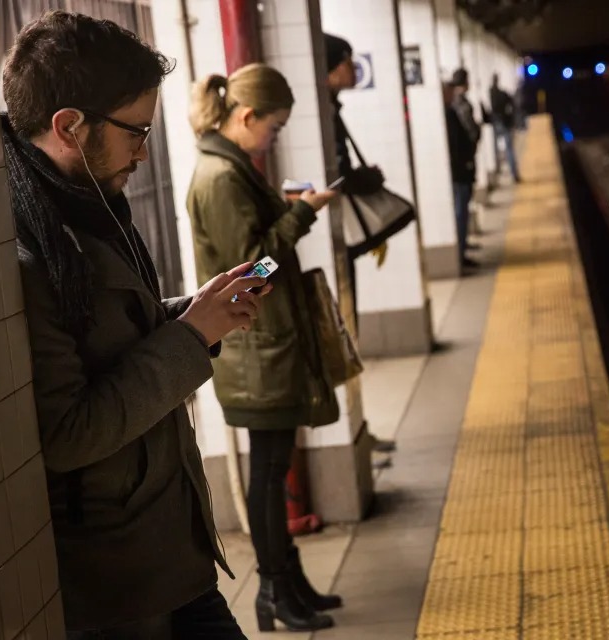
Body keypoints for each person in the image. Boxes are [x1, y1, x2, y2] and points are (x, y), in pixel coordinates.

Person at [2, 11, 268, 639]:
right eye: (136, 132)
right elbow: (68, 431)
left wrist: (191, 311)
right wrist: (190, 334)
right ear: (70, 126)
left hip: (167, 545)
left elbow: (112, 339)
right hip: (117, 580)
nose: (144, 153)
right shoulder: (29, 250)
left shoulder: (86, 206)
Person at [186, 63, 340, 633]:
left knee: (274, 471)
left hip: (265, 348)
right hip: (256, 352)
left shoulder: (232, 169)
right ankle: (274, 591)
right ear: (246, 117)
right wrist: (302, 214)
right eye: (273, 128)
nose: (274, 139)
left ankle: (289, 583)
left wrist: (285, 205)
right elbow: (255, 271)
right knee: (269, 474)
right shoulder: (220, 178)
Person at [323, 32, 397, 455]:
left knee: (349, 329)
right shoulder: (324, 114)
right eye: (349, 61)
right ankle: (353, 431)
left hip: (338, 242)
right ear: (333, 67)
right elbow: (336, 178)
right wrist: (370, 179)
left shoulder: (329, 109)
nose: (355, 70)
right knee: (345, 330)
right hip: (330, 247)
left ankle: (358, 427)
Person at [447, 69, 481, 269]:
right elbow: (469, 133)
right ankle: (460, 253)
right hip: (461, 168)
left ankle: (462, 249)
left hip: (460, 167)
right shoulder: (460, 106)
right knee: (461, 209)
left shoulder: (454, 106)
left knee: (462, 208)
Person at [490, 73, 521, 183]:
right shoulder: (502, 94)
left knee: (496, 149)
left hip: (495, 123)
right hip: (504, 123)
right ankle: (514, 173)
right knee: (509, 149)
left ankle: (498, 169)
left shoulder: (490, 94)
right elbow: (512, 102)